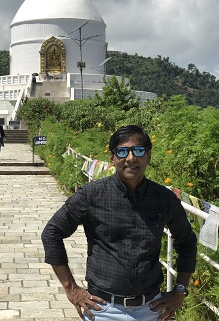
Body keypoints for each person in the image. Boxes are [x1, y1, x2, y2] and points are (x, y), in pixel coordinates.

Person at [42, 125, 197, 321]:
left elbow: (187, 242)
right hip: (103, 309)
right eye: (122, 151)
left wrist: (180, 290)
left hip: (151, 309)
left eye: (138, 150)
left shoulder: (164, 199)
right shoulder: (92, 195)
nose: (131, 158)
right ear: (112, 157)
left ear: (148, 155)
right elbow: (52, 232)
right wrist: (71, 288)